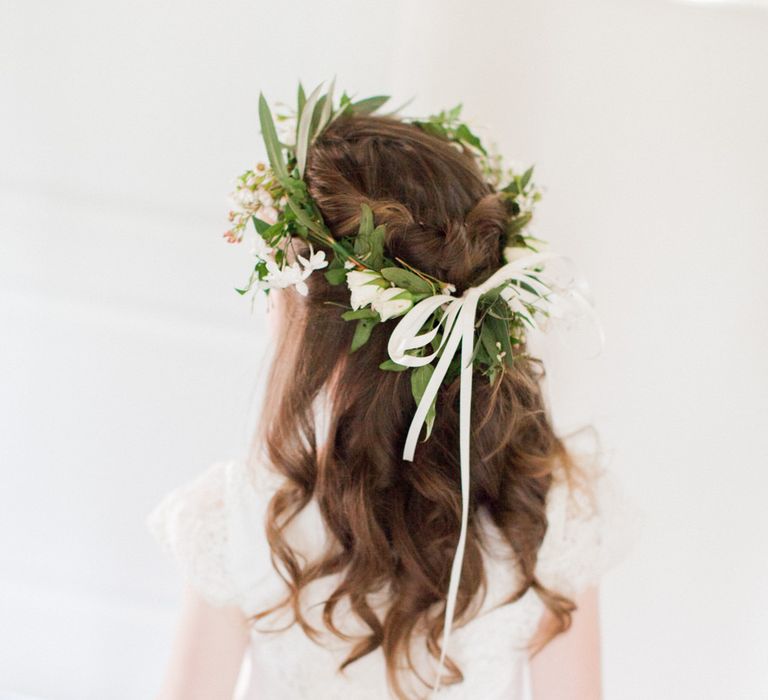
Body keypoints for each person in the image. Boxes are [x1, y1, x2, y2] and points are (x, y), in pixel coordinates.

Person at [148, 85, 633, 700]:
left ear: (324, 342)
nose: (272, 302)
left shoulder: (237, 518)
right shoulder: (550, 511)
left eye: (279, 281)